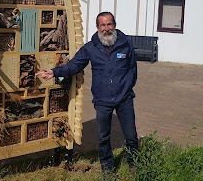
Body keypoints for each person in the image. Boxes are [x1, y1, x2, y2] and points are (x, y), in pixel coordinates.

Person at [36, 11, 138, 172]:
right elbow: (75, 65)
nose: (106, 28)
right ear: (97, 27)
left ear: (115, 25)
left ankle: (134, 164)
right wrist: (54, 72)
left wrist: (127, 86)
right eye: (103, 25)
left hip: (124, 98)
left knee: (131, 136)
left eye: (109, 24)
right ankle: (108, 168)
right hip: (102, 100)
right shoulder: (91, 48)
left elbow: (132, 69)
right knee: (103, 138)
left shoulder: (126, 44)